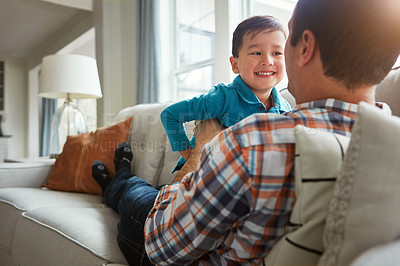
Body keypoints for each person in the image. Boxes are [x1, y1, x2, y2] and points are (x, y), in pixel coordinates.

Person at [93, 0, 400, 264]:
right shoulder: (388, 145)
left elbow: (163, 247)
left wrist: (195, 158)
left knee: (136, 196)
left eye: (284, 45)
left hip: (169, 224)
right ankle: (118, 177)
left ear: (304, 47)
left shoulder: (253, 142)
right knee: (134, 187)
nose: (271, 59)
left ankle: (117, 182)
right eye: (256, 52)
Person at [160, 15, 292, 173]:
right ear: (235, 65)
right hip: (195, 181)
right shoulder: (222, 98)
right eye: (256, 53)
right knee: (136, 192)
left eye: (277, 53)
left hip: (244, 185)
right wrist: (190, 157)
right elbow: (170, 115)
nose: (268, 60)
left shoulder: (286, 110)